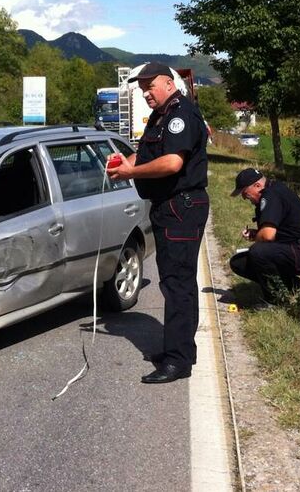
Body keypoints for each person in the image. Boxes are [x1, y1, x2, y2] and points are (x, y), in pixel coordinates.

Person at [107, 62, 209, 384]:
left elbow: (172, 162)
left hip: (182, 207)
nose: (145, 94)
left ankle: (178, 361)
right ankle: (180, 350)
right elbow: (146, 154)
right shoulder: (159, 116)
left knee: (177, 285)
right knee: (175, 283)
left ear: (168, 83)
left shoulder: (181, 115)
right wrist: (123, 164)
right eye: (142, 89)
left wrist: (132, 172)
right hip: (170, 208)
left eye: (150, 87)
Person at [228, 168, 300, 304]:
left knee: (258, 252)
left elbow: (267, 235)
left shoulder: (271, 195)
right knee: (239, 262)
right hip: (296, 248)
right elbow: (272, 232)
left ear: (257, 185)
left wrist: (258, 236)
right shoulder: (274, 190)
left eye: (245, 193)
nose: (244, 198)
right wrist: (256, 234)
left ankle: (274, 301)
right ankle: (298, 288)